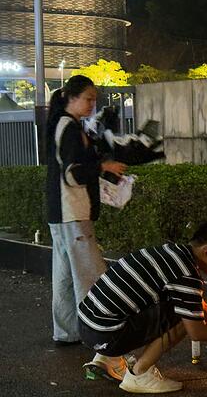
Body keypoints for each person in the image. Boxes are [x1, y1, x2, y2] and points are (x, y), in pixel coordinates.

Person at [77, 221, 207, 394]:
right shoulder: (186, 273)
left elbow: (197, 304)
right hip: (106, 334)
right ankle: (139, 374)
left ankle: (107, 358)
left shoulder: (173, 252)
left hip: (89, 324)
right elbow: (197, 331)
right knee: (182, 316)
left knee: (183, 307)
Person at [45, 75, 128, 369]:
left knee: (66, 275)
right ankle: (101, 341)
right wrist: (103, 166)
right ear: (72, 97)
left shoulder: (65, 123)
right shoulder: (68, 126)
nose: (94, 104)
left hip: (61, 212)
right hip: (72, 211)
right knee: (91, 276)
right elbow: (72, 173)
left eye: (95, 99)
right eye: (89, 98)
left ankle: (66, 332)